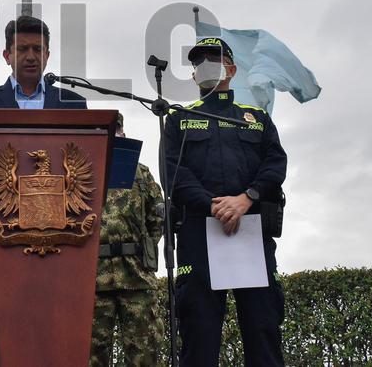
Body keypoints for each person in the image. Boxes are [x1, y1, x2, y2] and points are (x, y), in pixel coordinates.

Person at [0, 15, 88, 367]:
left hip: (60, 234)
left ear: (47, 55)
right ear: (7, 54)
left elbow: (88, 162)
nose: (30, 55)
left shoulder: (72, 102)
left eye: (37, 49)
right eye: (23, 49)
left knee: (56, 326)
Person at [164, 36, 287, 366]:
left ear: (230, 68)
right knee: (198, 336)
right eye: (197, 61)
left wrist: (247, 199)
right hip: (197, 236)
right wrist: (213, 205)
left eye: (212, 58)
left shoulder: (256, 118)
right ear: (193, 76)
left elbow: (275, 165)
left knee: (263, 331)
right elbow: (173, 172)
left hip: (252, 234)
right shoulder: (177, 119)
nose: (204, 65)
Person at [90, 112, 166, 367]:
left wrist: (139, 249)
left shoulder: (141, 173)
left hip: (137, 277)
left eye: (117, 128)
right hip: (94, 279)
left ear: (123, 130)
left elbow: (157, 219)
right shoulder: (83, 172)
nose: (113, 134)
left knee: (145, 357)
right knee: (90, 357)